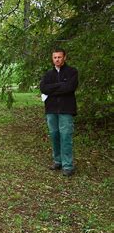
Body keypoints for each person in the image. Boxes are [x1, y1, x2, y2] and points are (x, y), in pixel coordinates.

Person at [40, 48, 78, 176]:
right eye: (55, 57)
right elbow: (44, 88)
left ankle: (68, 166)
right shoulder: (48, 74)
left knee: (66, 136)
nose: (57, 59)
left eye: (59, 57)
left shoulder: (72, 72)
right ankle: (58, 161)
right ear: (52, 59)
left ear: (64, 58)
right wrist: (60, 86)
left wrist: (53, 89)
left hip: (66, 109)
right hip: (51, 109)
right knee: (54, 135)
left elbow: (70, 88)